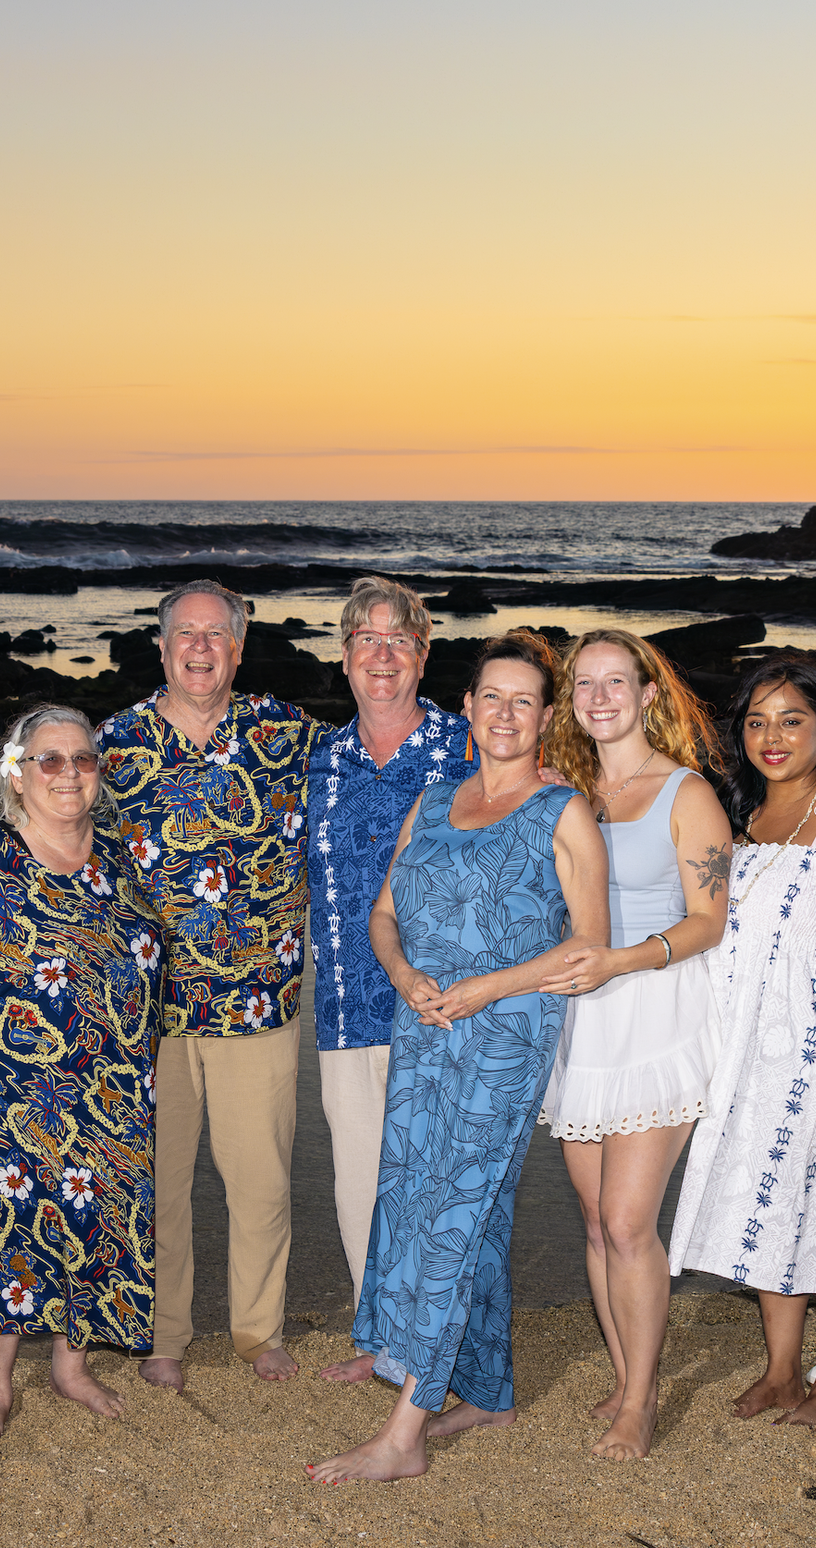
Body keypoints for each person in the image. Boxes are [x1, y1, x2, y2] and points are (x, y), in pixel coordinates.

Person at [308, 632, 610, 1485]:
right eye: (491, 697)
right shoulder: (434, 800)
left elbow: (589, 946)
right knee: (421, 1198)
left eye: (524, 701)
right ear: (468, 709)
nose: (506, 714)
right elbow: (383, 915)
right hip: (424, 1024)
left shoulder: (564, 810)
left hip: (505, 1034)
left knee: (456, 1209)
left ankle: (403, 1434)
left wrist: (484, 988)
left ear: (547, 718)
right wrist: (403, 976)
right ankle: (489, 1387)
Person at [0, 704, 164, 1446]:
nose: (68, 774)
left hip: (109, 1090)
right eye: (49, 760)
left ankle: (70, 1367)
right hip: (6, 1087)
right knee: (5, 1230)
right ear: (17, 775)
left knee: (93, 1226)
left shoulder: (118, 856)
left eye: (83, 759)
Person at [666, 655, 816, 1433]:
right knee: (771, 1208)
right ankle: (778, 1371)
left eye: (792, 720)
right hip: (746, 1053)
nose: (773, 738)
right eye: (758, 721)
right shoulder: (741, 820)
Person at [98, 579, 322, 1389]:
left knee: (259, 1177)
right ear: (160, 649)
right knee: (157, 1180)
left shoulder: (289, 734)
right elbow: (59, 850)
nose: (199, 647)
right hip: (148, 1007)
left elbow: (370, 802)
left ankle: (258, 1330)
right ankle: (163, 1333)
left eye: (215, 634)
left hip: (258, 996)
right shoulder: (113, 744)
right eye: (184, 635)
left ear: (238, 646)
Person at [538, 628, 733, 1458]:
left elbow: (710, 919)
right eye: (585, 683)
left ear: (649, 694)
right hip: (583, 1023)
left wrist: (624, 958)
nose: (601, 696)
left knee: (626, 1221)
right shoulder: (561, 791)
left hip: (659, 1011)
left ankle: (641, 1402)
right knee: (591, 1220)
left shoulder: (685, 793)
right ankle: (626, 1375)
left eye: (617, 682)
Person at [306, 577, 473, 1387]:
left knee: (439, 1182)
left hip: (445, 1006)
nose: (382, 655)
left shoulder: (467, 748)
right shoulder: (319, 763)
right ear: (344, 658)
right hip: (346, 1007)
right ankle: (382, 1340)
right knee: (358, 1183)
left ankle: (438, 1348)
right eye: (366, 640)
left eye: (399, 640)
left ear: (423, 654)